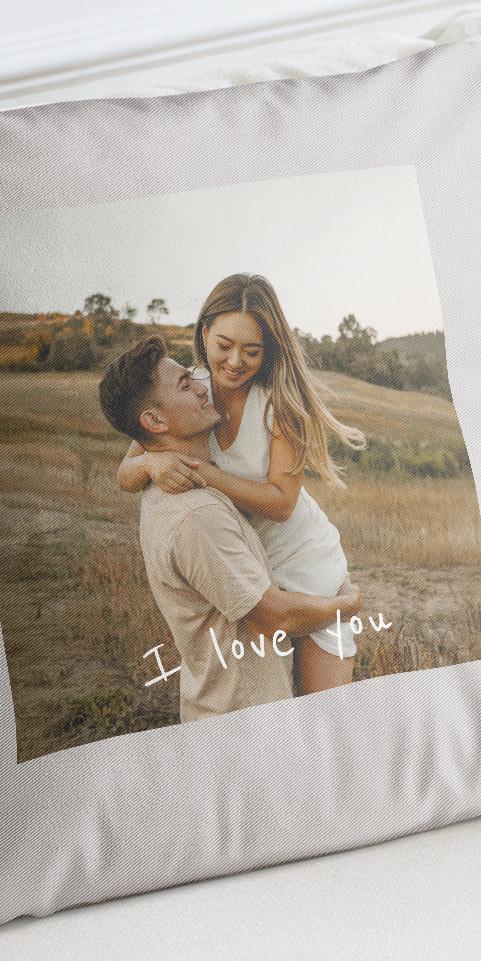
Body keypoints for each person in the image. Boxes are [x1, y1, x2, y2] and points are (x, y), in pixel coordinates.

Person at [116, 273, 364, 695]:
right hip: (247, 569)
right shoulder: (187, 391)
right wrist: (153, 462)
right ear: (204, 331)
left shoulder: (279, 402)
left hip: (303, 563)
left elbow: (283, 502)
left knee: (322, 712)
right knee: (264, 699)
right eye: (224, 346)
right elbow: (125, 474)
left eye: (252, 350)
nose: (234, 362)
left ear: (269, 351)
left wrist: (205, 473)